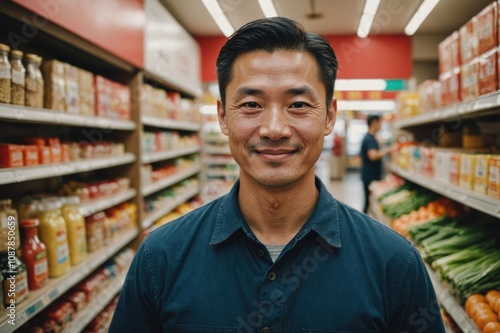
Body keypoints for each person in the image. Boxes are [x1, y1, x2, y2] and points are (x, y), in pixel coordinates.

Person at [109, 17, 445, 332]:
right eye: (251, 105)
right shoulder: (160, 258)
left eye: (298, 104)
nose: (273, 129)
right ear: (223, 116)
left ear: (329, 116)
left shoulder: (395, 265)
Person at [360, 114, 392, 214]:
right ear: (374, 123)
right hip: (370, 175)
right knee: (368, 203)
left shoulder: (369, 137)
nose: (381, 125)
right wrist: (389, 150)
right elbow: (373, 156)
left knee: (368, 201)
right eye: (380, 122)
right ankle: (362, 225)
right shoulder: (369, 139)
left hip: (368, 174)